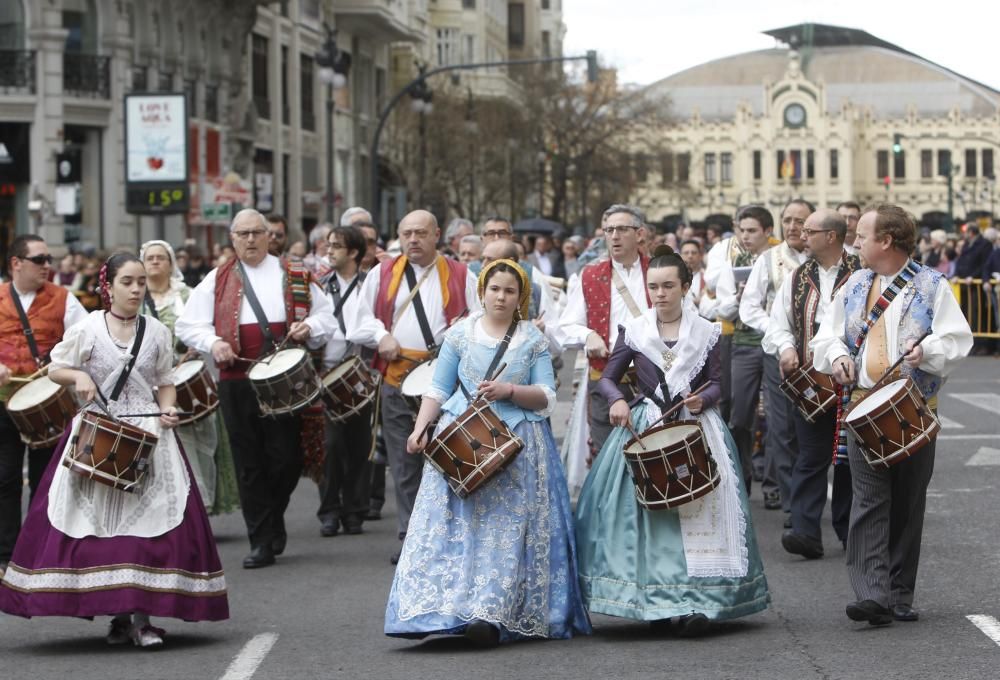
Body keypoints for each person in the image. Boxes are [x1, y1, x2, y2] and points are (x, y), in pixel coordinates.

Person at [0, 252, 229, 647]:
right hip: (97, 434)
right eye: (128, 281)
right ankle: (120, 618)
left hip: (148, 433)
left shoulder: (156, 331)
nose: (137, 288)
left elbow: (165, 379)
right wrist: (78, 377)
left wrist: (169, 407)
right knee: (101, 529)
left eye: (141, 281)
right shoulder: (88, 328)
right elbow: (56, 367)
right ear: (108, 286)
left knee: (147, 528)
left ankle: (142, 618)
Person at [386, 259, 591, 646]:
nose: (501, 296)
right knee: (458, 527)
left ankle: (491, 612)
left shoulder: (532, 340)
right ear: (482, 292)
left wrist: (509, 392)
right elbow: (438, 388)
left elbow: (546, 397)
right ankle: (447, 609)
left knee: (507, 533)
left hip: (517, 445)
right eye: (494, 289)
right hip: (462, 442)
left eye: (510, 291)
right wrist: (420, 428)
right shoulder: (459, 335)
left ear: (520, 298)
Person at [575, 246, 770, 635]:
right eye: (653, 287)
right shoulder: (635, 331)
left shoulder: (708, 332)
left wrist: (705, 398)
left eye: (667, 286)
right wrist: (616, 402)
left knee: (701, 512)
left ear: (686, 287)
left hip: (697, 426)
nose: (660, 293)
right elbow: (609, 377)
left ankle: (700, 602)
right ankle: (657, 602)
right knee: (647, 516)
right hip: (648, 422)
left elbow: (719, 383)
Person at [811, 203, 972, 626]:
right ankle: (872, 594)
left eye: (861, 235)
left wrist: (928, 351)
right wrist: (839, 356)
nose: (855, 241)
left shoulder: (932, 285)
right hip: (863, 406)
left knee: (907, 501)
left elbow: (957, 339)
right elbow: (826, 336)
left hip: (914, 409)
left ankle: (899, 592)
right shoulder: (853, 284)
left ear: (886, 240)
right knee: (868, 500)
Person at [176, 209, 334, 569]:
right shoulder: (216, 279)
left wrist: (308, 327)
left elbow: (327, 318)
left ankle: (272, 517)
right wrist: (213, 342)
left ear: (269, 236)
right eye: (243, 233)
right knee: (249, 463)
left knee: (287, 459)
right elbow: (188, 325)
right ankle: (261, 539)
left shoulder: (294, 274)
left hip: (286, 383)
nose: (250, 239)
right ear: (232, 239)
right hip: (237, 381)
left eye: (256, 233)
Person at [348, 210, 480, 564]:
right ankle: (410, 538)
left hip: (447, 384)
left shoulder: (461, 274)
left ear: (437, 234)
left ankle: (451, 537)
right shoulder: (382, 273)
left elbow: (480, 322)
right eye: (406, 233)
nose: (413, 240)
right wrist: (381, 335)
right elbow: (357, 322)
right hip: (396, 379)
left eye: (421, 233)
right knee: (404, 463)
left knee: (451, 460)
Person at [762, 210, 860, 558]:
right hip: (811, 383)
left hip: (856, 382)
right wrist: (786, 348)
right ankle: (804, 530)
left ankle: (851, 532)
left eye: (810, 230)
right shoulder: (797, 277)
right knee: (810, 455)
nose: (802, 235)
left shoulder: (862, 273)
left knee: (850, 460)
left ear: (831, 236)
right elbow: (778, 324)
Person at [0, 235, 88, 577]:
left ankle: (38, 551)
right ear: (16, 263)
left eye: (49, 258)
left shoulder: (64, 299)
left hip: (49, 405)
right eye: (40, 259)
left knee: (45, 480)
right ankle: (6, 554)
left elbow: (87, 339)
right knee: (4, 480)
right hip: (5, 404)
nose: (48, 265)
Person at [139, 240, 239, 516]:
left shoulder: (188, 294)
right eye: (150, 258)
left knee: (197, 442)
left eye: (161, 257)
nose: (156, 262)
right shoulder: (135, 297)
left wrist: (199, 341)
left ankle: (199, 505)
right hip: (149, 383)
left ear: (172, 263)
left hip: (188, 376)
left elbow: (206, 327)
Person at [553, 204, 651, 457]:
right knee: (608, 458)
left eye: (621, 229)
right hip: (605, 380)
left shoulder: (659, 270)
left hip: (653, 381)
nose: (614, 236)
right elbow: (564, 326)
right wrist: (588, 335)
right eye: (609, 230)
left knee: (650, 457)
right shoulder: (590, 275)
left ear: (639, 234)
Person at [734, 201, 811, 513]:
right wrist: (776, 331)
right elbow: (749, 307)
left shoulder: (827, 259)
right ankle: (787, 499)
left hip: (817, 354)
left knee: (809, 426)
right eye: (787, 220)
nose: (792, 227)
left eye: (799, 221)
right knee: (780, 427)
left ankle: (808, 496)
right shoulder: (769, 260)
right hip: (778, 352)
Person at [713, 206, 778, 498]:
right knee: (739, 417)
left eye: (752, 230)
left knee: (778, 418)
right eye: (742, 230)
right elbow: (720, 307)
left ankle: (774, 484)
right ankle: (744, 475)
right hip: (743, 343)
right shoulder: (733, 263)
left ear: (767, 231)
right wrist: (738, 298)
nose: (745, 236)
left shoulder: (782, 260)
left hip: (776, 343)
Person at [316, 226, 373, 537]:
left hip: (362, 373)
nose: (330, 250)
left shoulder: (370, 285)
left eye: (337, 246)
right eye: (329, 245)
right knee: (331, 445)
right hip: (326, 374)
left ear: (353, 253)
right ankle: (329, 510)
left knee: (360, 445)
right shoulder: (319, 285)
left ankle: (355, 511)